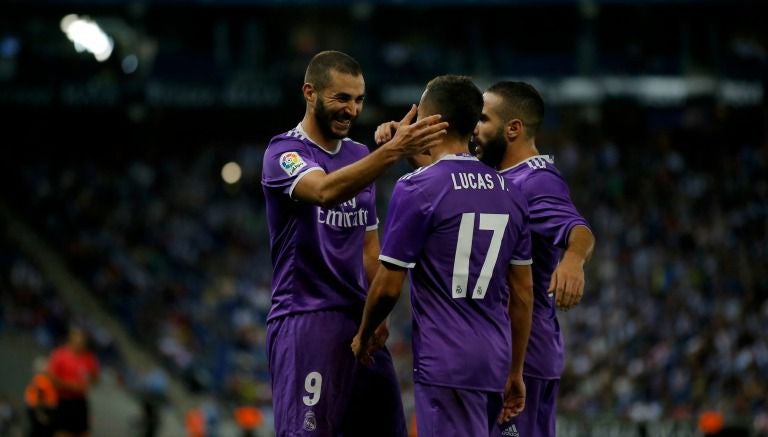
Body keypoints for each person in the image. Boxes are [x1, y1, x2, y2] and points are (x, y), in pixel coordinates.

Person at [261, 50, 448, 436]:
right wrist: (392, 151)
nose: (352, 109)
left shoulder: (359, 154)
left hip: (357, 325)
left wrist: (374, 315)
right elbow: (326, 191)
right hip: (306, 319)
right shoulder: (284, 153)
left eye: (359, 99)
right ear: (309, 92)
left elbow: (368, 246)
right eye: (341, 98)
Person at [352, 75, 534, 436]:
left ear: (433, 122)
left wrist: (364, 333)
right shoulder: (512, 193)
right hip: (495, 362)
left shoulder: (416, 188)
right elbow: (523, 294)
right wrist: (516, 371)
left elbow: (388, 287)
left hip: (446, 363)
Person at [473, 81, 595, 437]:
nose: (474, 128)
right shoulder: (497, 176)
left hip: (526, 358)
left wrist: (573, 259)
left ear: (513, 128)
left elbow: (579, 228)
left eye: (483, 119)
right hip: (501, 351)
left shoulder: (537, 181)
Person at [47, 327, 99, 437]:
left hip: (80, 402)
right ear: (70, 340)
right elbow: (52, 379)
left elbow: (94, 379)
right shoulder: (59, 355)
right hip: (63, 401)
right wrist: (73, 386)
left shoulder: (89, 359)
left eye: (82, 341)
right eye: (77, 340)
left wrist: (87, 384)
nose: (79, 344)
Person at [24, 356, 58, 437]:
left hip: (38, 409)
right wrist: (40, 414)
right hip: (41, 410)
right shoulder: (41, 379)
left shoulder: (38, 379)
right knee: (42, 432)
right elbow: (39, 396)